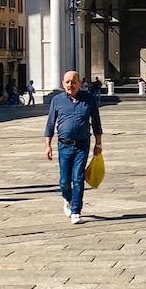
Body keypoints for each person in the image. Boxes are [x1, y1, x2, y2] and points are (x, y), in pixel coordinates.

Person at [44, 70, 102, 225]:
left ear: (80, 84)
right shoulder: (57, 100)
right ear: (63, 84)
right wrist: (47, 145)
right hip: (64, 145)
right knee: (64, 181)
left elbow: (96, 122)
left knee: (78, 178)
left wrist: (99, 144)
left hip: (82, 145)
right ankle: (67, 198)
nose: (70, 85)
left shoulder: (88, 99)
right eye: (67, 82)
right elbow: (50, 124)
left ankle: (76, 211)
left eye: (73, 82)